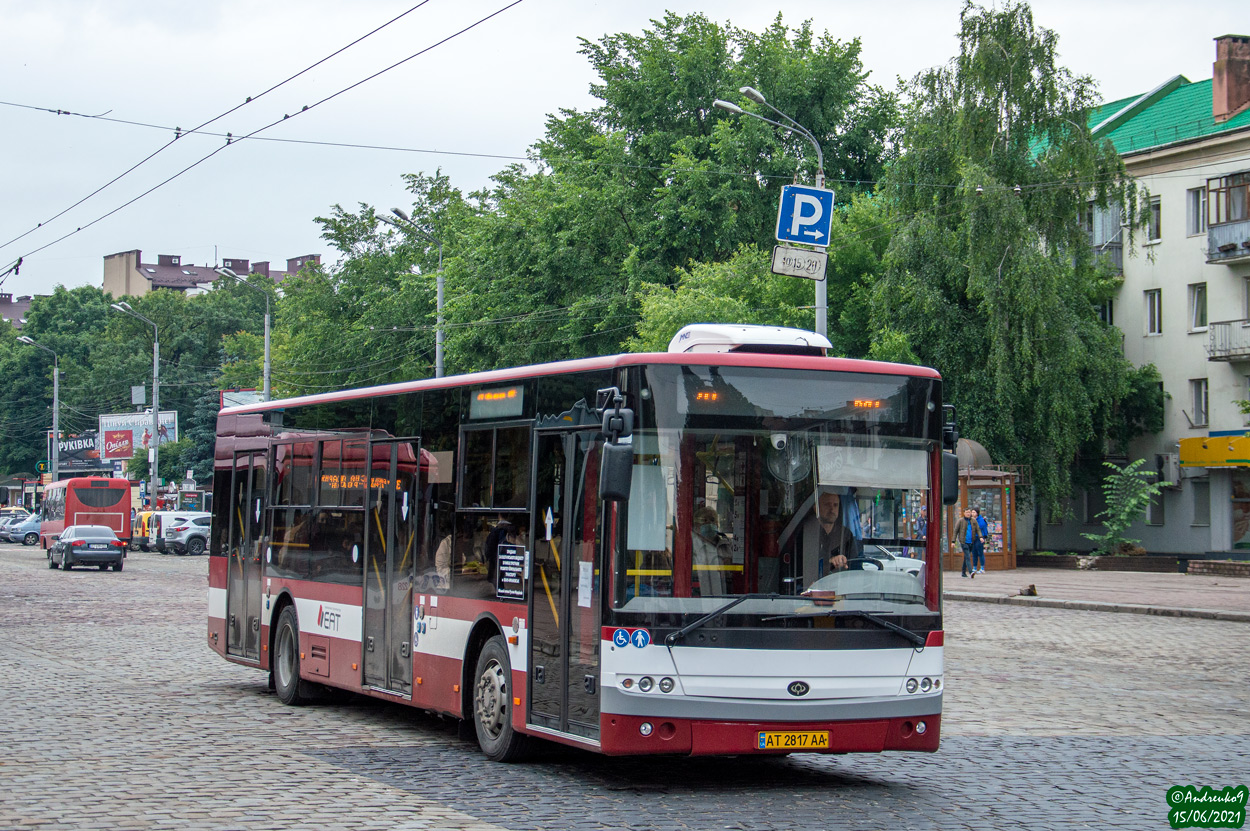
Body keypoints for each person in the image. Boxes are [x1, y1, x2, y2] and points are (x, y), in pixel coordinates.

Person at [813, 488, 858, 574]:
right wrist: (829, 563)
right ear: (816, 508)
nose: (832, 509)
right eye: (827, 504)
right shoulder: (807, 533)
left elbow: (856, 566)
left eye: (835, 505)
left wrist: (843, 562)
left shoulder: (845, 534)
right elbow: (803, 567)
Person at [692, 505, 730, 596]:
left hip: (726, 591)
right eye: (704, 520)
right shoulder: (691, 547)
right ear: (696, 526)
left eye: (712, 520)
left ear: (717, 524)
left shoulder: (728, 544)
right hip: (700, 592)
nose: (709, 523)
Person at [951, 508, 981, 578]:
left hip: (971, 542)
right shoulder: (960, 521)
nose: (968, 513)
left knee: (966, 557)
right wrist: (953, 541)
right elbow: (955, 531)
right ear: (964, 513)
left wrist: (981, 537)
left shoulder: (973, 521)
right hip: (963, 541)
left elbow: (978, 529)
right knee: (967, 556)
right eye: (967, 512)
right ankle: (971, 572)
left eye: (969, 512)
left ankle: (963, 572)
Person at [972, 508, 989, 574]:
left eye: (974, 512)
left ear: (977, 513)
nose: (972, 514)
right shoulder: (971, 520)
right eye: (972, 512)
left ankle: (982, 568)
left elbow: (980, 528)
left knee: (980, 552)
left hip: (980, 538)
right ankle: (974, 567)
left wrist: (983, 537)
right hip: (973, 538)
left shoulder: (981, 520)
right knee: (974, 553)